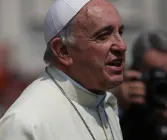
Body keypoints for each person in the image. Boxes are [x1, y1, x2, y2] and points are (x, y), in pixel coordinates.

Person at [0, 0, 126, 140]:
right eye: (103, 36)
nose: (122, 46)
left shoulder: (105, 104)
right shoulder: (27, 123)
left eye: (120, 32)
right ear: (63, 50)